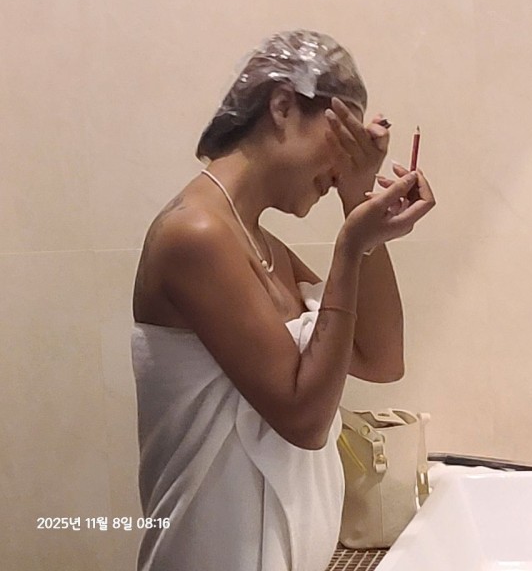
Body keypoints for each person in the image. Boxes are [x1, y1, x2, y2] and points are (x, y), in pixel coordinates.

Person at [130, 30, 435, 571]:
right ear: (283, 107)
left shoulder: (261, 245)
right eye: (342, 138)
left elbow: (381, 357)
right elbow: (304, 420)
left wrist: (357, 199)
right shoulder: (195, 235)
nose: (344, 165)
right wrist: (350, 248)